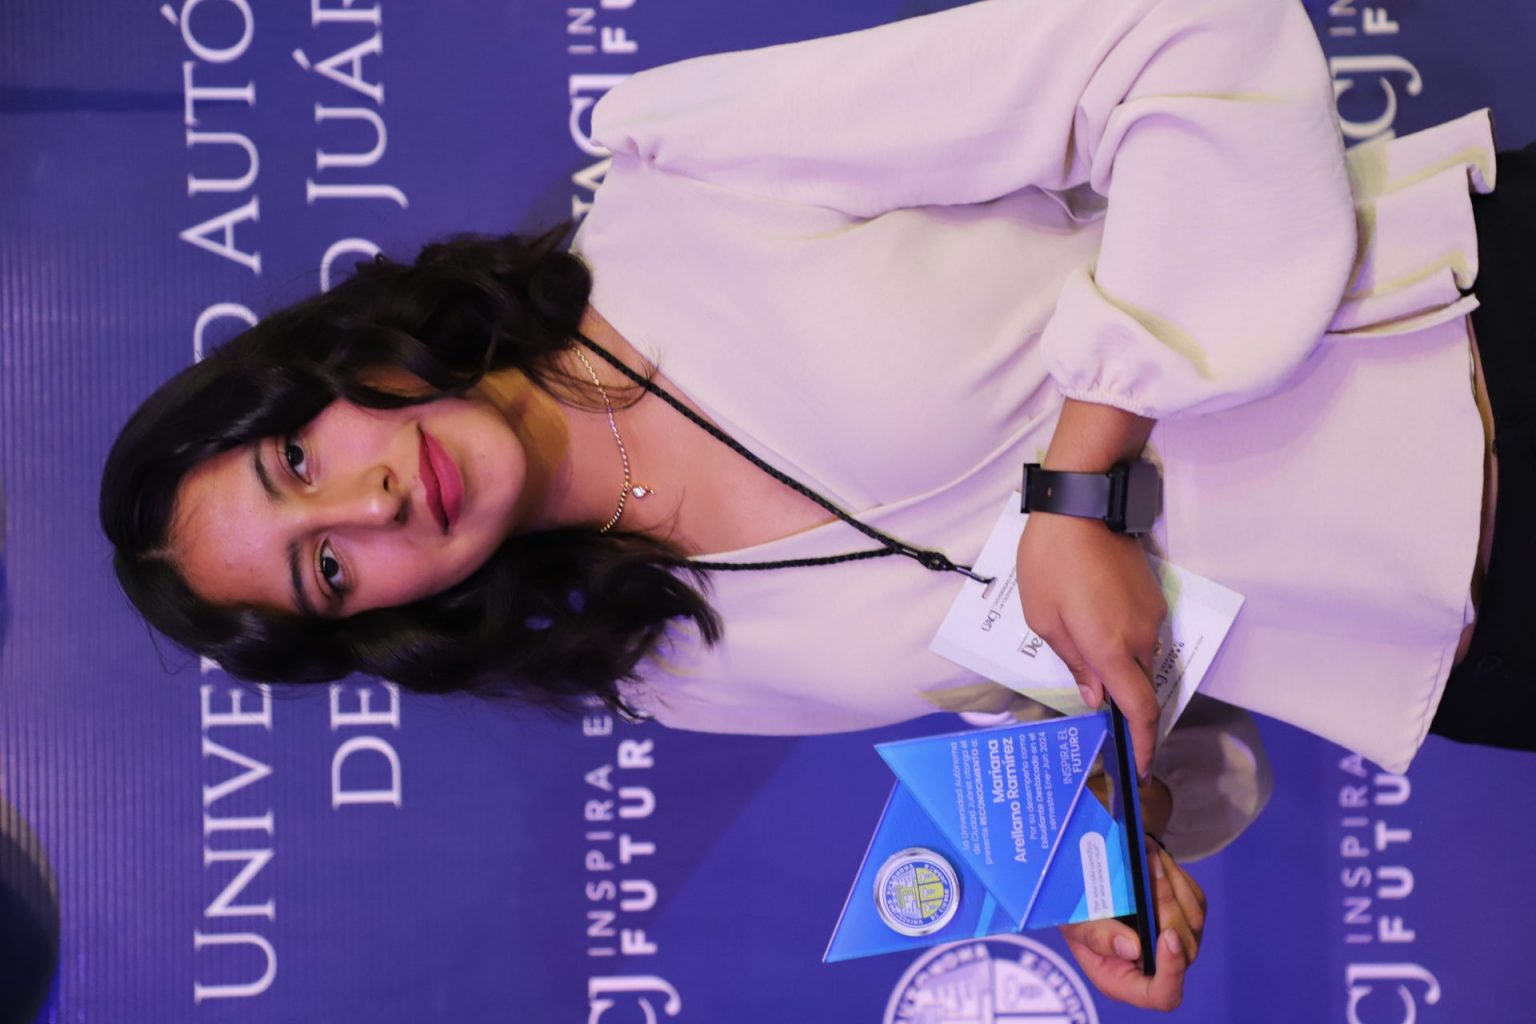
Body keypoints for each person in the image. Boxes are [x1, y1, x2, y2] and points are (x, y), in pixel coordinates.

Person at [100, 0, 1521, 1010]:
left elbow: (1177, 39)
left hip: (1478, 341)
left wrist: (1082, 483)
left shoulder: (681, 178)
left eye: (298, 462)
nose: (371, 505)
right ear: (376, 625)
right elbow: (1047, 668)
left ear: (327, 366)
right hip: (1473, 650)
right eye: (326, 571)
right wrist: (1106, 841)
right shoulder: (665, 669)